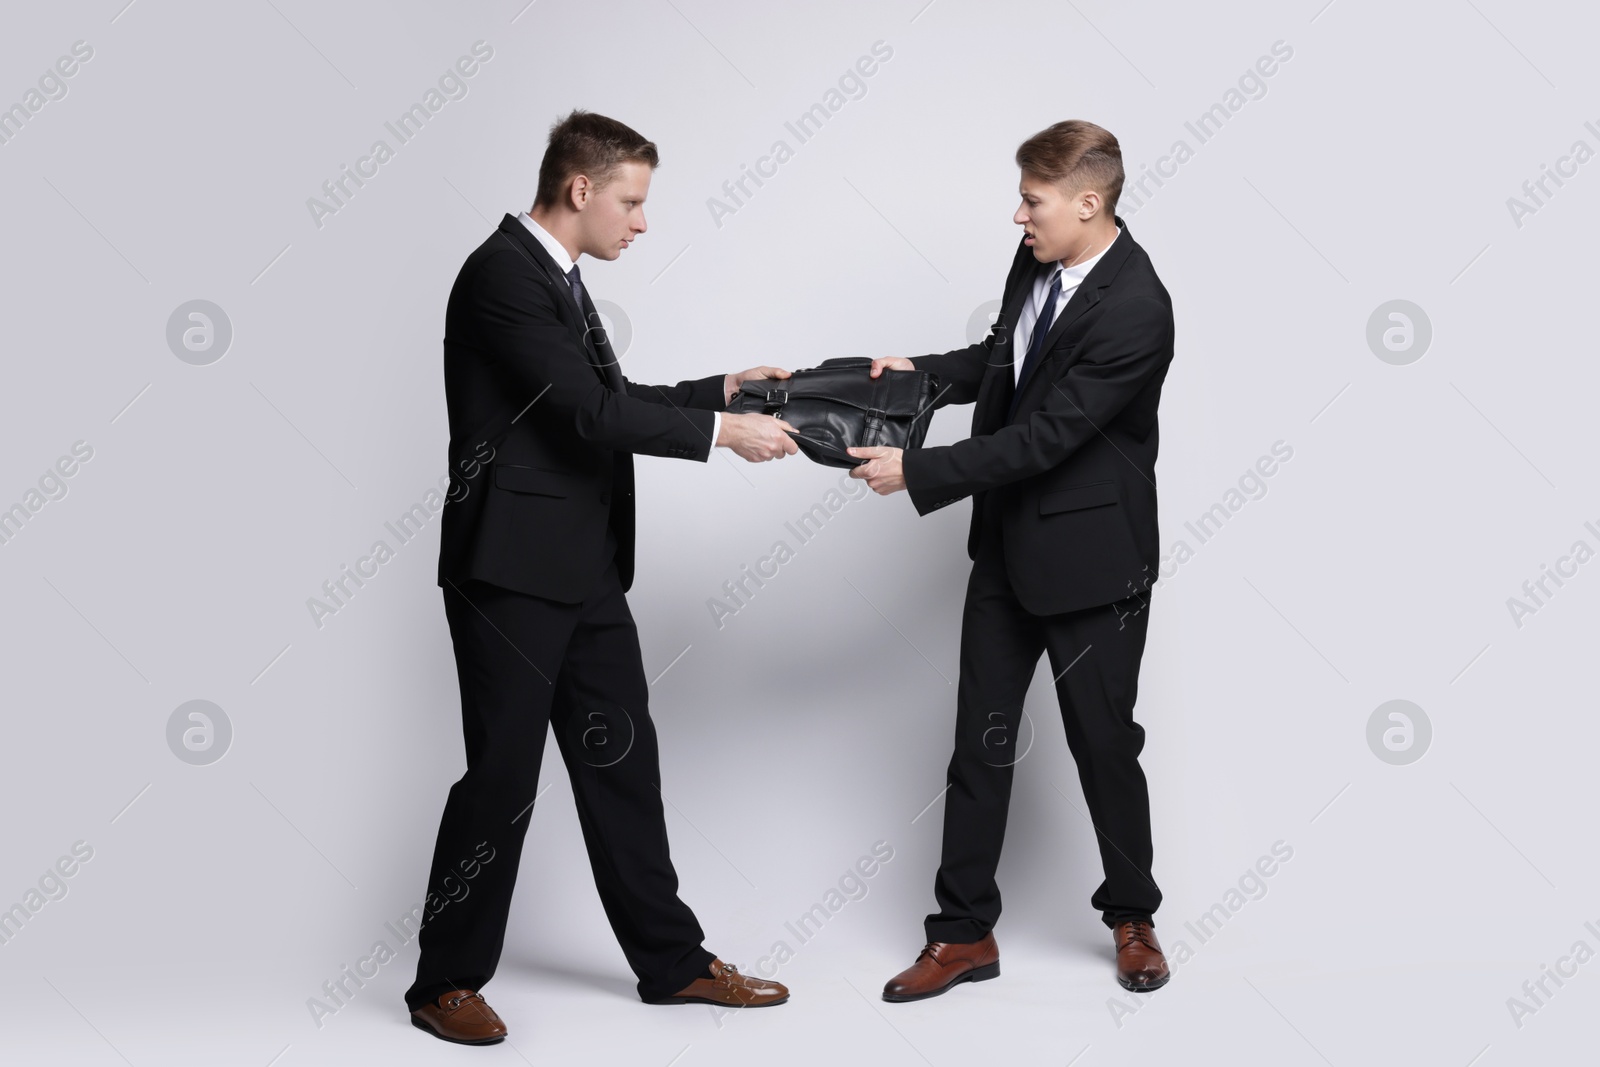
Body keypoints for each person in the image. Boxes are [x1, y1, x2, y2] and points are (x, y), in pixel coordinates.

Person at [406, 110, 798, 1045]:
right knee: (501, 781)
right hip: (509, 579)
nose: (642, 221)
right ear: (580, 190)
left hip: (583, 575)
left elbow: (608, 403)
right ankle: (444, 982)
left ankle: (671, 963)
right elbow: (585, 415)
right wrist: (718, 436)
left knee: (624, 766)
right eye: (632, 200)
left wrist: (721, 392)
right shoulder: (502, 275)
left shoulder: (557, 278)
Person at [846, 119, 1177, 1000]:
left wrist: (919, 468)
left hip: (1094, 564)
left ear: (1088, 202)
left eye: (1032, 200)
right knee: (978, 747)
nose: (1018, 215)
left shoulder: (1140, 308)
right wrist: (919, 373)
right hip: (1005, 551)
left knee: (1103, 746)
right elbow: (1005, 362)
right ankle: (962, 936)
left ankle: (1133, 915)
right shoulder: (1036, 263)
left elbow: (1047, 436)